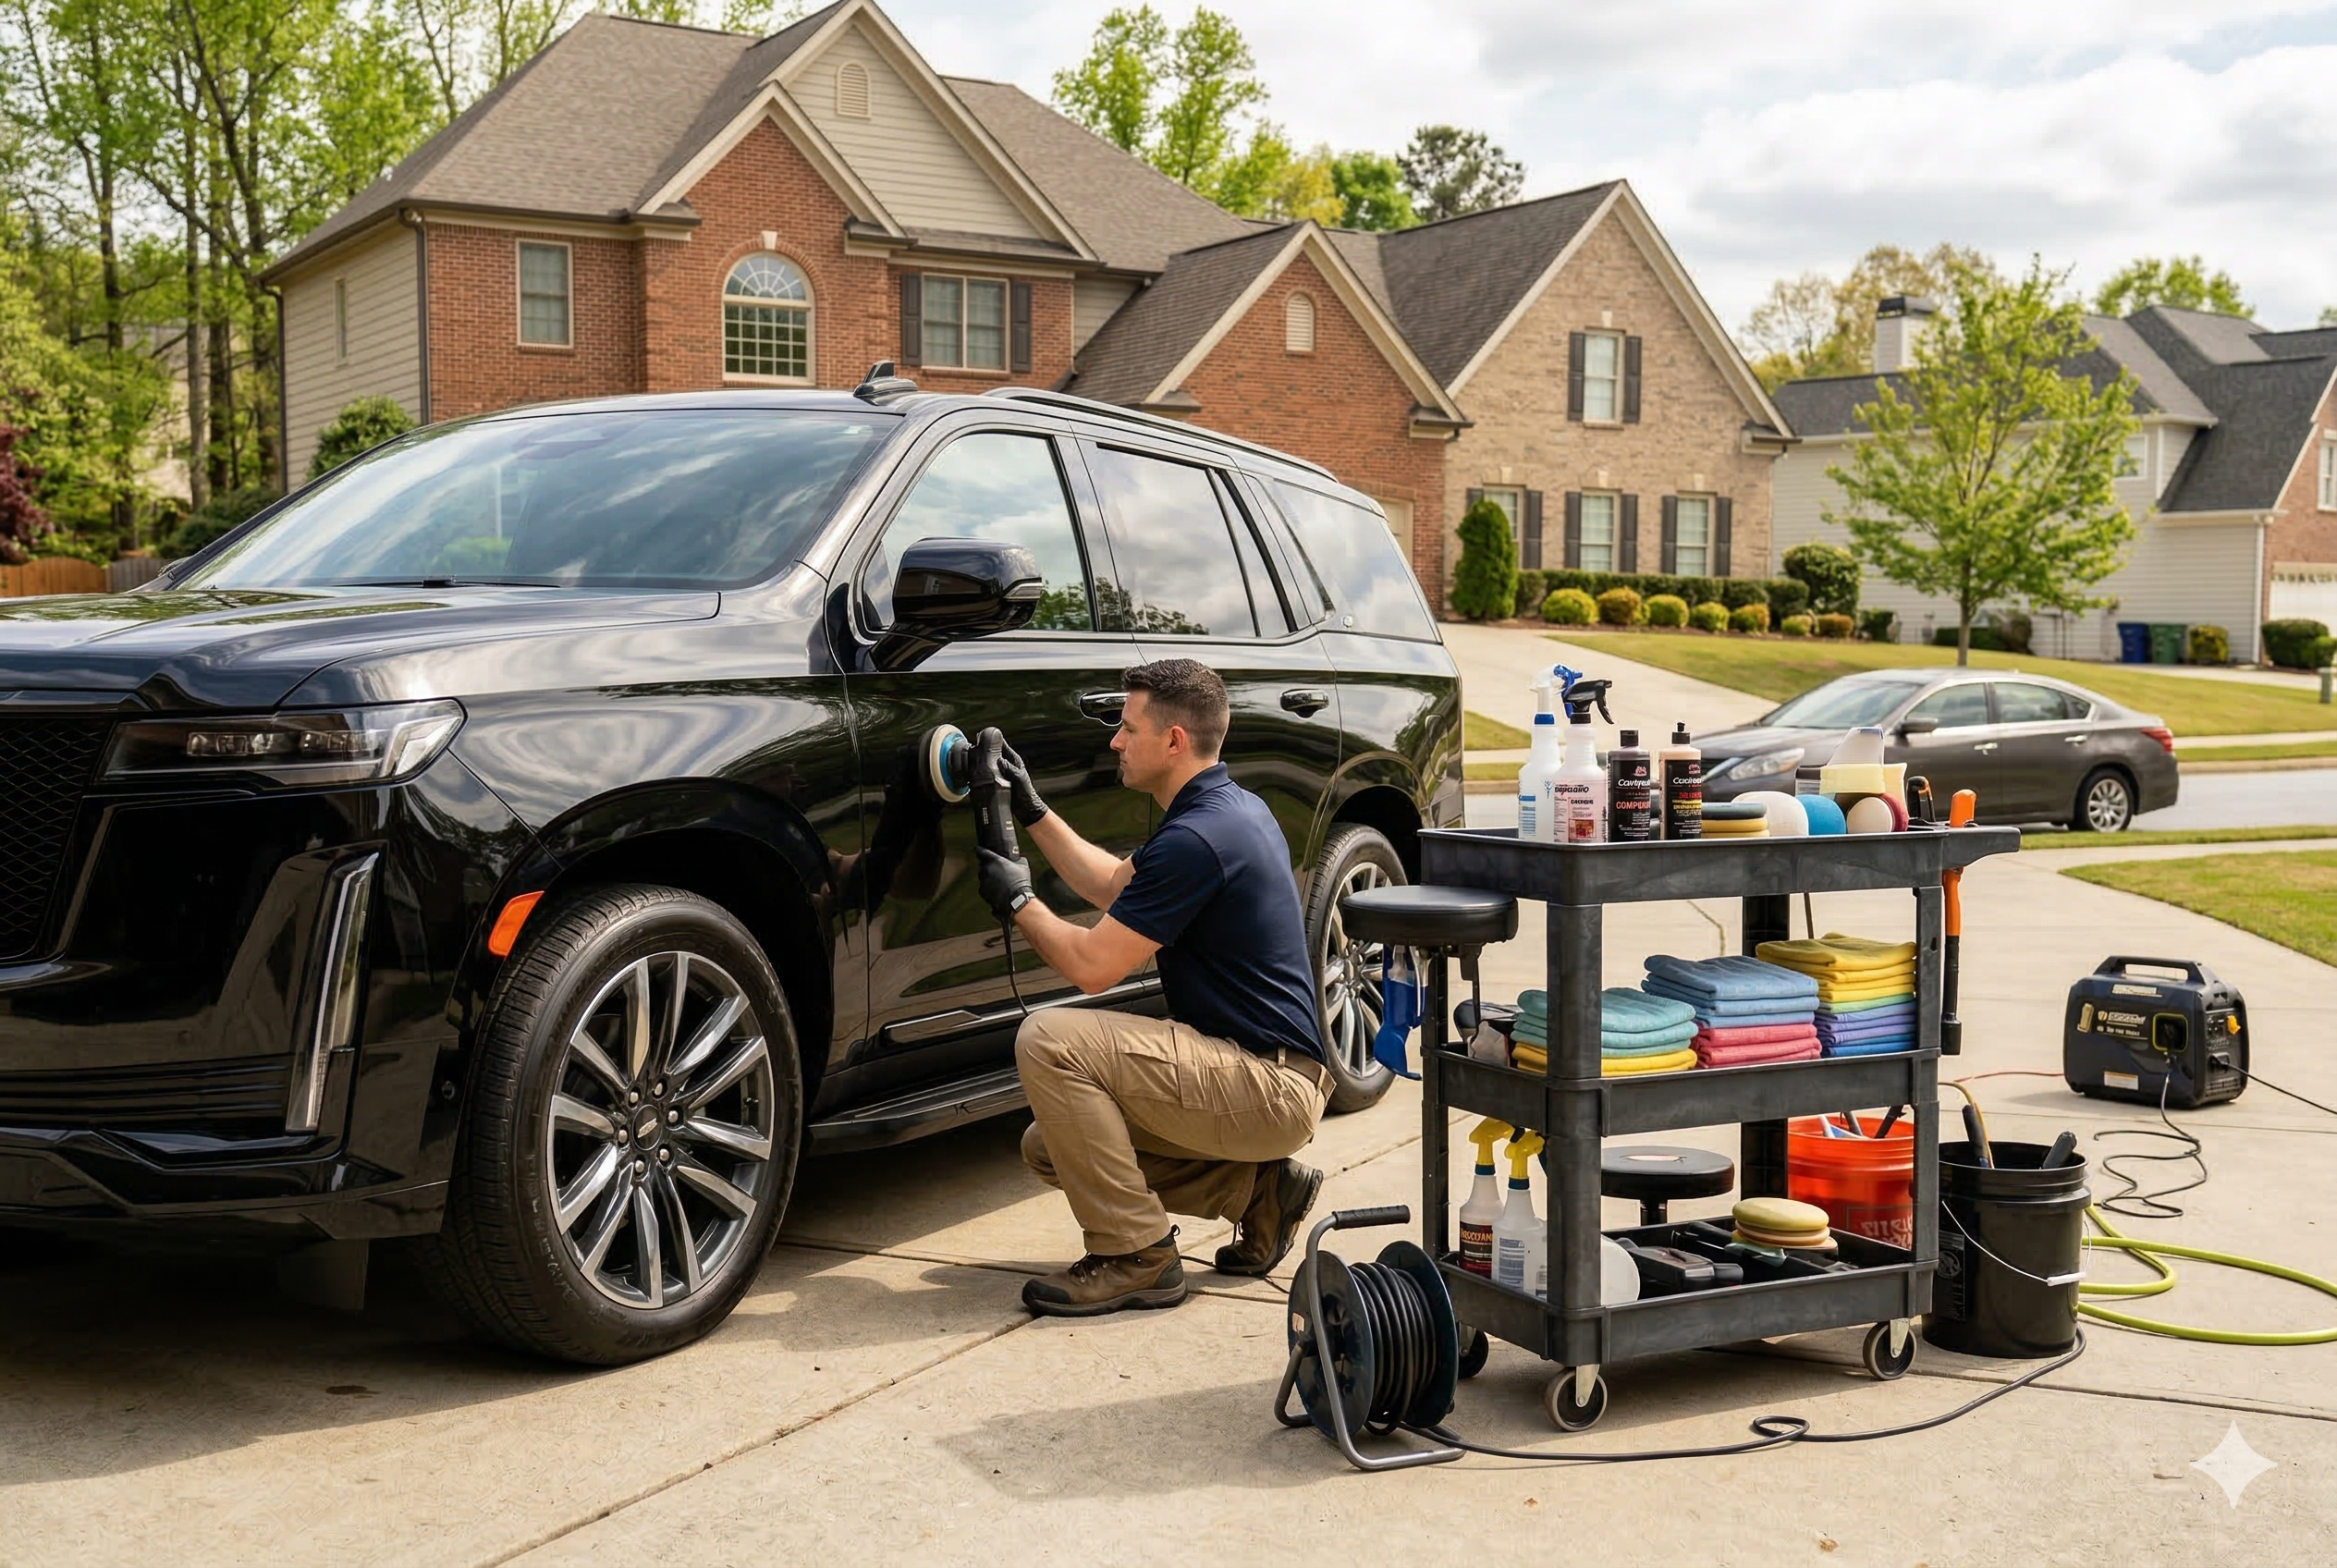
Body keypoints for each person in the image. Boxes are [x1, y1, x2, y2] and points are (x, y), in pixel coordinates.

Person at [978, 658, 1330, 1317]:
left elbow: (1091, 968)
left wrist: (1019, 900)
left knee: (1050, 1038)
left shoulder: (1199, 838)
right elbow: (1112, 883)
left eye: (1127, 727)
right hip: (1270, 1075)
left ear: (1173, 741)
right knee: (1051, 1145)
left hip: (1268, 1085)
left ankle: (1136, 1257)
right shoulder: (1227, 810)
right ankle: (1257, 1194)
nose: (1115, 740)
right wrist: (1032, 809)